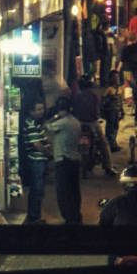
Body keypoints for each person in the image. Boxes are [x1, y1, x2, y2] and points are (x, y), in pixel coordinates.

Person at [46, 95, 82, 224]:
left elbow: (48, 126)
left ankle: (69, 217)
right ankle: (76, 216)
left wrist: (54, 116)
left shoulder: (63, 122)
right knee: (74, 191)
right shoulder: (75, 121)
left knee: (63, 192)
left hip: (63, 160)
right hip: (74, 160)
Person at [72, 75, 116, 176]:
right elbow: (98, 110)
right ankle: (108, 167)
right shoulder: (95, 95)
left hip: (79, 123)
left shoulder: (77, 96)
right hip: (93, 123)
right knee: (104, 144)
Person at [22, 100, 52, 225]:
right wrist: (49, 154)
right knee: (37, 190)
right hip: (36, 161)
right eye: (38, 109)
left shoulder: (36, 123)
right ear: (31, 111)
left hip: (39, 161)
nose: (41, 111)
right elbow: (37, 145)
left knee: (37, 189)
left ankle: (35, 216)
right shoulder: (31, 124)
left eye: (42, 109)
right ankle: (34, 218)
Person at [101, 70, 124, 152]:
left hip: (117, 111)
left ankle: (113, 144)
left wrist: (122, 110)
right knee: (110, 128)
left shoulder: (120, 89)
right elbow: (103, 100)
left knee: (115, 127)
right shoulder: (109, 89)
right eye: (114, 77)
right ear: (111, 78)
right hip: (111, 111)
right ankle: (110, 145)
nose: (116, 79)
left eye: (117, 77)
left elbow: (121, 101)